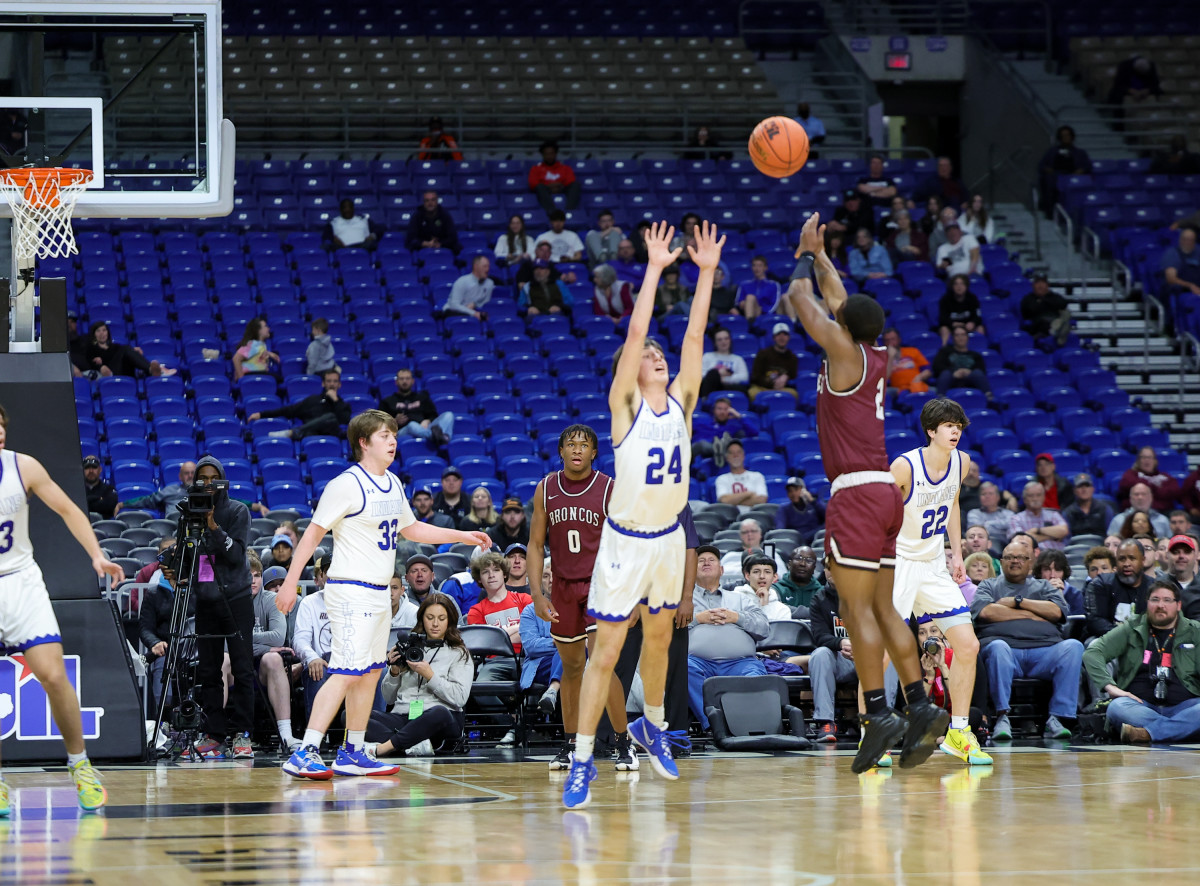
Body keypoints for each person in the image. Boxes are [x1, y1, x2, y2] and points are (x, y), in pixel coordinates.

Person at [560, 219, 723, 808]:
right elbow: (635, 333)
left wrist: (704, 274)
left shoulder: (681, 402)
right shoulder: (624, 407)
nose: (655, 356)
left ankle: (653, 726)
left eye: (660, 354)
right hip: (625, 542)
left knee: (659, 641)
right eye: (648, 355)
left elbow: (696, 338)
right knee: (605, 652)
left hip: (667, 539)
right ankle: (583, 761)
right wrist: (654, 268)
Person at [785, 212, 949, 772]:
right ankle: (921, 704)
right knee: (884, 607)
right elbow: (839, 302)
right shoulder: (873, 354)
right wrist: (827, 256)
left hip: (856, 493)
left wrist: (805, 256)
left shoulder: (842, 353)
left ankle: (879, 711)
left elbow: (802, 302)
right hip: (885, 494)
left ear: (844, 327)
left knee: (856, 612)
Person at [275, 410, 491, 779]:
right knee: (344, 670)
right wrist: (290, 582)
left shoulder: (392, 482)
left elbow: (412, 529)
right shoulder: (346, 484)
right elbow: (312, 533)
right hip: (350, 590)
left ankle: (353, 751)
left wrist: (463, 536)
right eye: (383, 435)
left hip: (378, 593)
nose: (392, 440)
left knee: (372, 671)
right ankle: (306, 749)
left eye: (393, 434)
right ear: (363, 442)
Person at [0, 406, 124, 813]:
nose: (0, 435)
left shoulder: (23, 466)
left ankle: (80, 765)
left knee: (53, 674)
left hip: (20, 579)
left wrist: (96, 555)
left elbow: (70, 509)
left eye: (2, 428)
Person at [528, 424, 638, 771]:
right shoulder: (545, 488)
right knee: (572, 668)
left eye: (584, 445)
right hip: (561, 585)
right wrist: (536, 593)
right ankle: (573, 743)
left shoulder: (609, 489)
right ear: (560, 451)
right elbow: (534, 544)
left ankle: (624, 742)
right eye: (571, 444)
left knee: (600, 665)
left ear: (594, 453)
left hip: (601, 585)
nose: (577, 449)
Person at [890, 398, 991, 765]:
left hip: (933, 565)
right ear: (931, 430)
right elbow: (876, 516)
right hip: (899, 563)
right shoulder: (903, 466)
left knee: (967, 645)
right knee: (885, 654)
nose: (955, 432)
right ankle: (872, 731)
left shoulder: (961, 462)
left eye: (959, 426)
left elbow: (952, 504)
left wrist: (958, 554)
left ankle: (959, 733)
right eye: (949, 426)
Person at [973, 541, 1084, 740]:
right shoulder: (988, 585)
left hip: (1045, 653)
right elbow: (987, 612)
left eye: (1021, 557)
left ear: (1030, 563)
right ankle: (1002, 717)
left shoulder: (1044, 586)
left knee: (1073, 647)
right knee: (998, 647)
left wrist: (1018, 602)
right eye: (1010, 557)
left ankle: (1057, 719)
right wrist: (1035, 614)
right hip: (1007, 652)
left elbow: (1057, 612)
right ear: (1001, 561)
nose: (1015, 561)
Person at [1084, 580, 1200, 743]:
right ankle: (1180, 730)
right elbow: (1093, 652)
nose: (1161, 605)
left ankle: (1145, 734)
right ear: (1147, 603)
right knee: (1116, 707)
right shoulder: (1132, 628)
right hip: (1140, 706)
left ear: (1178, 605)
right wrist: (1110, 687)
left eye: (1167, 600)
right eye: (1155, 600)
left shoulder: (1195, 631)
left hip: (1185, 706)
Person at [367, 593, 472, 757]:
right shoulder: (409, 648)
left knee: (439, 712)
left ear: (450, 621)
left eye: (441, 618)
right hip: (403, 716)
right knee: (353, 717)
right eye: (430, 617)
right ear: (422, 619)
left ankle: (384, 748)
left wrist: (430, 676)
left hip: (439, 720)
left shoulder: (459, 653)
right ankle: (411, 744)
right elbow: (388, 699)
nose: (435, 624)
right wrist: (394, 672)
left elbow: (459, 698)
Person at [687, 554, 769, 731]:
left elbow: (764, 628)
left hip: (741, 662)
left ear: (722, 570)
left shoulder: (740, 599)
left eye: (712, 560)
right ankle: (714, 724)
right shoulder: (683, 601)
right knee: (683, 669)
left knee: (755, 674)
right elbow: (667, 629)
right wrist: (697, 619)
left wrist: (736, 617)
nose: (706, 562)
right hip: (697, 661)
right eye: (700, 560)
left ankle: (745, 725)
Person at [466, 551, 532, 747]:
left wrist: (500, 632)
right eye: (485, 572)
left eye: (496, 570)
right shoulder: (476, 611)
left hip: (527, 656)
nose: (491, 575)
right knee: (481, 687)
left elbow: (531, 630)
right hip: (495, 661)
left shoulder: (524, 600)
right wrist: (517, 628)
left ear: (504, 573)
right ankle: (512, 727)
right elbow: (487, 645)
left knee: (542, 681)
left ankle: (530, 728)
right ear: (479, 579)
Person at [253, 563, 299, 752]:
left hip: (292, 663)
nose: (278, 589)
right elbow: (231, 643)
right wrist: (268, 648)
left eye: (282, 584)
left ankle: (295, 734)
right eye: (273, 585)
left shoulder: (302, 604)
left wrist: (302, 664)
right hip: (254, 662)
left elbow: (286, 640)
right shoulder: (256, 601)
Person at [249, 369, 351, 441]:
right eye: (329, 381)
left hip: (330, 439)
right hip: (310, 437)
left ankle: (294, 432)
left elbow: (345, 420)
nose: (332, 384)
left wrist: (336, 401)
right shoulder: (312, 400)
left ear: (339, 384)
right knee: (311, 433)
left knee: (331, 417)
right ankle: (297, 432)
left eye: (335, 381)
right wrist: (261, 414)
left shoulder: (343, 405)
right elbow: (288, 410)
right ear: (323, 384)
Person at [1083, 539, 1154, 641]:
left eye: (1132, 558)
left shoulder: (1154, 588)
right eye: (1122, 559)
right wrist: (1125, 636)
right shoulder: (1101, 584)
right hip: (1107, 639)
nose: (1126, 564)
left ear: (1142, 561)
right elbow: (1095, 621)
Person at [379, 368, 454, 447]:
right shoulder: (387, 401)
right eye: (401, 379)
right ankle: (437, 437)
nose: (404, 381)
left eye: (407, 378)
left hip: (424, 427)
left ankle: (441, 437)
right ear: (396, 382)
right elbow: (380, 425)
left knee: (449, 415)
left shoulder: (422, 398)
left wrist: (428, 420)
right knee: (412, 425)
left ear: (413, 381)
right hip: (402, 431)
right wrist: (394, 421)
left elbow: (433, 415)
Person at [85, 321, 174, 379]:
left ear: (108, 332)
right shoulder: (92, 349)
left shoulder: (116, 346)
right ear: (94, 335)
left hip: (126, 372)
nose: (102, 333)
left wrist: (134, 352)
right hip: (111, 374)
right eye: (98, 331)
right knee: (126, 348)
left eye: (104, 330)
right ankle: (154, 370)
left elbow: (124, 355)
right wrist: (99, 366)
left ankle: (154, 371)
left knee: (129, 350)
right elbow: (89, 363)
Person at [1037, 126, 1092, 217]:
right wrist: (1048, 169)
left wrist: (1080, 170)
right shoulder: (1052, 152)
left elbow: (1087, 166)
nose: (1066, 137)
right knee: (1049, 180)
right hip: (1056, 176)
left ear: (1072, 137)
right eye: (1063, 136)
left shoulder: (1080, 153)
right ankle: (1051, 211)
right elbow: (1042, 165)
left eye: (1067, 135)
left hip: (1074, 176)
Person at [116, 461, 196, 516]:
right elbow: (147, 500)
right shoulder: (169, 490)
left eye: (193, 473)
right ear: (180, 477)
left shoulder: (206, 492)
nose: (190, 476)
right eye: (186, 473)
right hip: (175, 529)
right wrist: (123, 504)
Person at [1009, 481, 1069, 552]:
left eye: (1038, 495)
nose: (1035, 499)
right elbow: (1021, 540)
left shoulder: (1053, 515)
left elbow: (1064, 531)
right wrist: (1052, 536)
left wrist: (1038, 530)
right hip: (1032, 558)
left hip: (1059, 556)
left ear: (1044, 497)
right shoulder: (1016, 519)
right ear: (1024, 499)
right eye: (1031, 496)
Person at [691, 396, 757, 462]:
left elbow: (754, 432)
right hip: (698, 455)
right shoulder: (701, 422)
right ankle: (719, 449)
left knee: (733, 442)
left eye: (726, 409)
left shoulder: (731, 427)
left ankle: (721, 450)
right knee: (702, 444)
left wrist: (738, 416)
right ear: (713, 410)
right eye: (719, 409)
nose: (722, 412)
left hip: (719, 458)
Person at [931, 326, 991, 398]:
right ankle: (940, 399)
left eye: (963, 334)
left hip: (970, 380)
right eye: (957, 335)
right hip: (951, 379)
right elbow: (937, 366)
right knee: (945, 373)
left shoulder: (975, 355)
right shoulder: (944, 352)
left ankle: (989, 398)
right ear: (953, 338)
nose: (960, 337)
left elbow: (982, 370)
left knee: (978, 373)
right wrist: (954, 372)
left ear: (967, 337)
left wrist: (968, 371)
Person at [1118, 447, 1180, 513]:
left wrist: (1150, 488)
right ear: (1138, 461)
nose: (1147, 460)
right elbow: (1126, 485)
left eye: (1150, 457)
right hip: (1136, 513)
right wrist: (1156, 488)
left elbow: (1175, 492)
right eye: (1143, 457)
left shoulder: (1164, 476)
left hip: (1163, 512)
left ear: (1155, 461)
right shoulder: (1131, 474)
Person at [748, 323, 799, 403]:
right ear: (774, 338)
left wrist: (786, 378)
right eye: (778, 335)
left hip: (782, 388)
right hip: (762, 387)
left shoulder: (792, 357)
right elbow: (755, 377)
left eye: (785, 334)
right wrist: (772, 383)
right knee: (752, 393)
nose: (782, 338)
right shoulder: (763, 354)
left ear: (788, 337)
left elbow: (793, 376)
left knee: (794, 394)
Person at [713, 441, 768, 513]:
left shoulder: (757, 476)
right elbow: (724, 501)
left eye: (738, 452)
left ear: (743, 456)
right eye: (731, 453)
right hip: (731, 518)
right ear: (727, 458)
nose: (735, 455)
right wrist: (749, 494)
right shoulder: (722, 479)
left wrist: (733, 500)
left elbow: (761, 500)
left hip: (754, 515)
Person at [529, 140, 580, 214]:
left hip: (562, 189)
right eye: (546, 154)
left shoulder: (565, 168)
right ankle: (553, 213)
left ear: (556, 154)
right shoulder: (536, 169)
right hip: (545, 191)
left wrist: (555, 185)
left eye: (551, 153)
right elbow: (533, 184)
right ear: (542, 155)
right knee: (540, 187)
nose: (549, 156)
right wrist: (553, 185)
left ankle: (569, 212)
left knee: (575, 185)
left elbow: (570, 180)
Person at [698, 327, 750, 399]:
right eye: (719, 340)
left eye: (726, 338)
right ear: (715, 343)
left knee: (743, 390)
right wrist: (718, 373)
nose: (723, 342)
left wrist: (724, 380)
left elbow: (744, 377)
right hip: (711, 387)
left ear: (730, 340)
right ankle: (705, 401)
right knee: (713, 373)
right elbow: (701, 375)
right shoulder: (707, 356)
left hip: (728, 386)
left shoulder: (738, 359)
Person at [773, 544, 822, 613]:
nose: (803, 564)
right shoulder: (776, 589)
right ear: (789, 564)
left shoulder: (822, 593)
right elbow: (775, 610)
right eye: (798, 559)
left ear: (814, 568)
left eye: (809, 561)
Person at [442, 255, 494, 320]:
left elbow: (485, 303)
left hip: (474, 313)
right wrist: (473, 313)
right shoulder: (462, 281)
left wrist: (475, 304)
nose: (487, 269)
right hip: (454, 313)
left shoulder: (489, 283)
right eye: (484, 266)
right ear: (475, 267)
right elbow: (454, 305)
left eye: (488, 266)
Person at [777, 478, 825, 547]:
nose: (793, 494)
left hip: (815, 540)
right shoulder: (784, 509)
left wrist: (812, 500)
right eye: (790, 491)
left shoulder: (814, 505)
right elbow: (780, 529)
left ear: (803, 490)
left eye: (796, 490)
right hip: (796, 543)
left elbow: (828, 516)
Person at [882, 328, 932, 394]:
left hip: (917, 384)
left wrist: (919, 377)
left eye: (893, 339)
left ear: (899, 339)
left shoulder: (912, 351)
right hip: (898, 389)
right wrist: (890, 357)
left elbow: (927, 370)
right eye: (887, 340)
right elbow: (884, 378)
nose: (890, 343)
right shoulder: (882, 357)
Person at [1033, 549, 1083, 615]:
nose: (1052, 575)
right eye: (1047, 569)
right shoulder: (1031, 592)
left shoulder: (1075, 595)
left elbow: (1075, 622)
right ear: (1040, 572)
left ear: (1064, 572)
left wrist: (1060, 597)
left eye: (1058, 570)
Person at [937, 275, 984, 344]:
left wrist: (973, 323)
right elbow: (942, 318)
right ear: (952, 286)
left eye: (962, 284)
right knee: (944, 329)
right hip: (952, 326)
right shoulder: (945, 299)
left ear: (966, 286)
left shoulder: (972, 298)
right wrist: (952, 324)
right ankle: (943, 350)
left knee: (980, 328)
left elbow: (978, 316)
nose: (959, 287)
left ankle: (980, 348)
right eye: (956, 284)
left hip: (967, 326)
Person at [1062, 473, 1112, 538]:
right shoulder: (1068, 513)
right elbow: (1067, 538)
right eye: (1080, 486)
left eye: (1087, 486)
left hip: (1100, 546)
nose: (1084, 489)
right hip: (1076, 547)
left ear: (1093, 489)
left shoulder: (1105, 509)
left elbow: (1111, 534)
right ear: (1074, 491)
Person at [82, 455, 117, 519]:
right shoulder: (77, 490)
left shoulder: (109, 489)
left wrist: (87, 500)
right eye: (87, 467)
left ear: (100, 469)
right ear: (82, 470)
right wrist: (98, 499)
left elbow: (110, 506)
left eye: (94, 467)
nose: (91, 471)